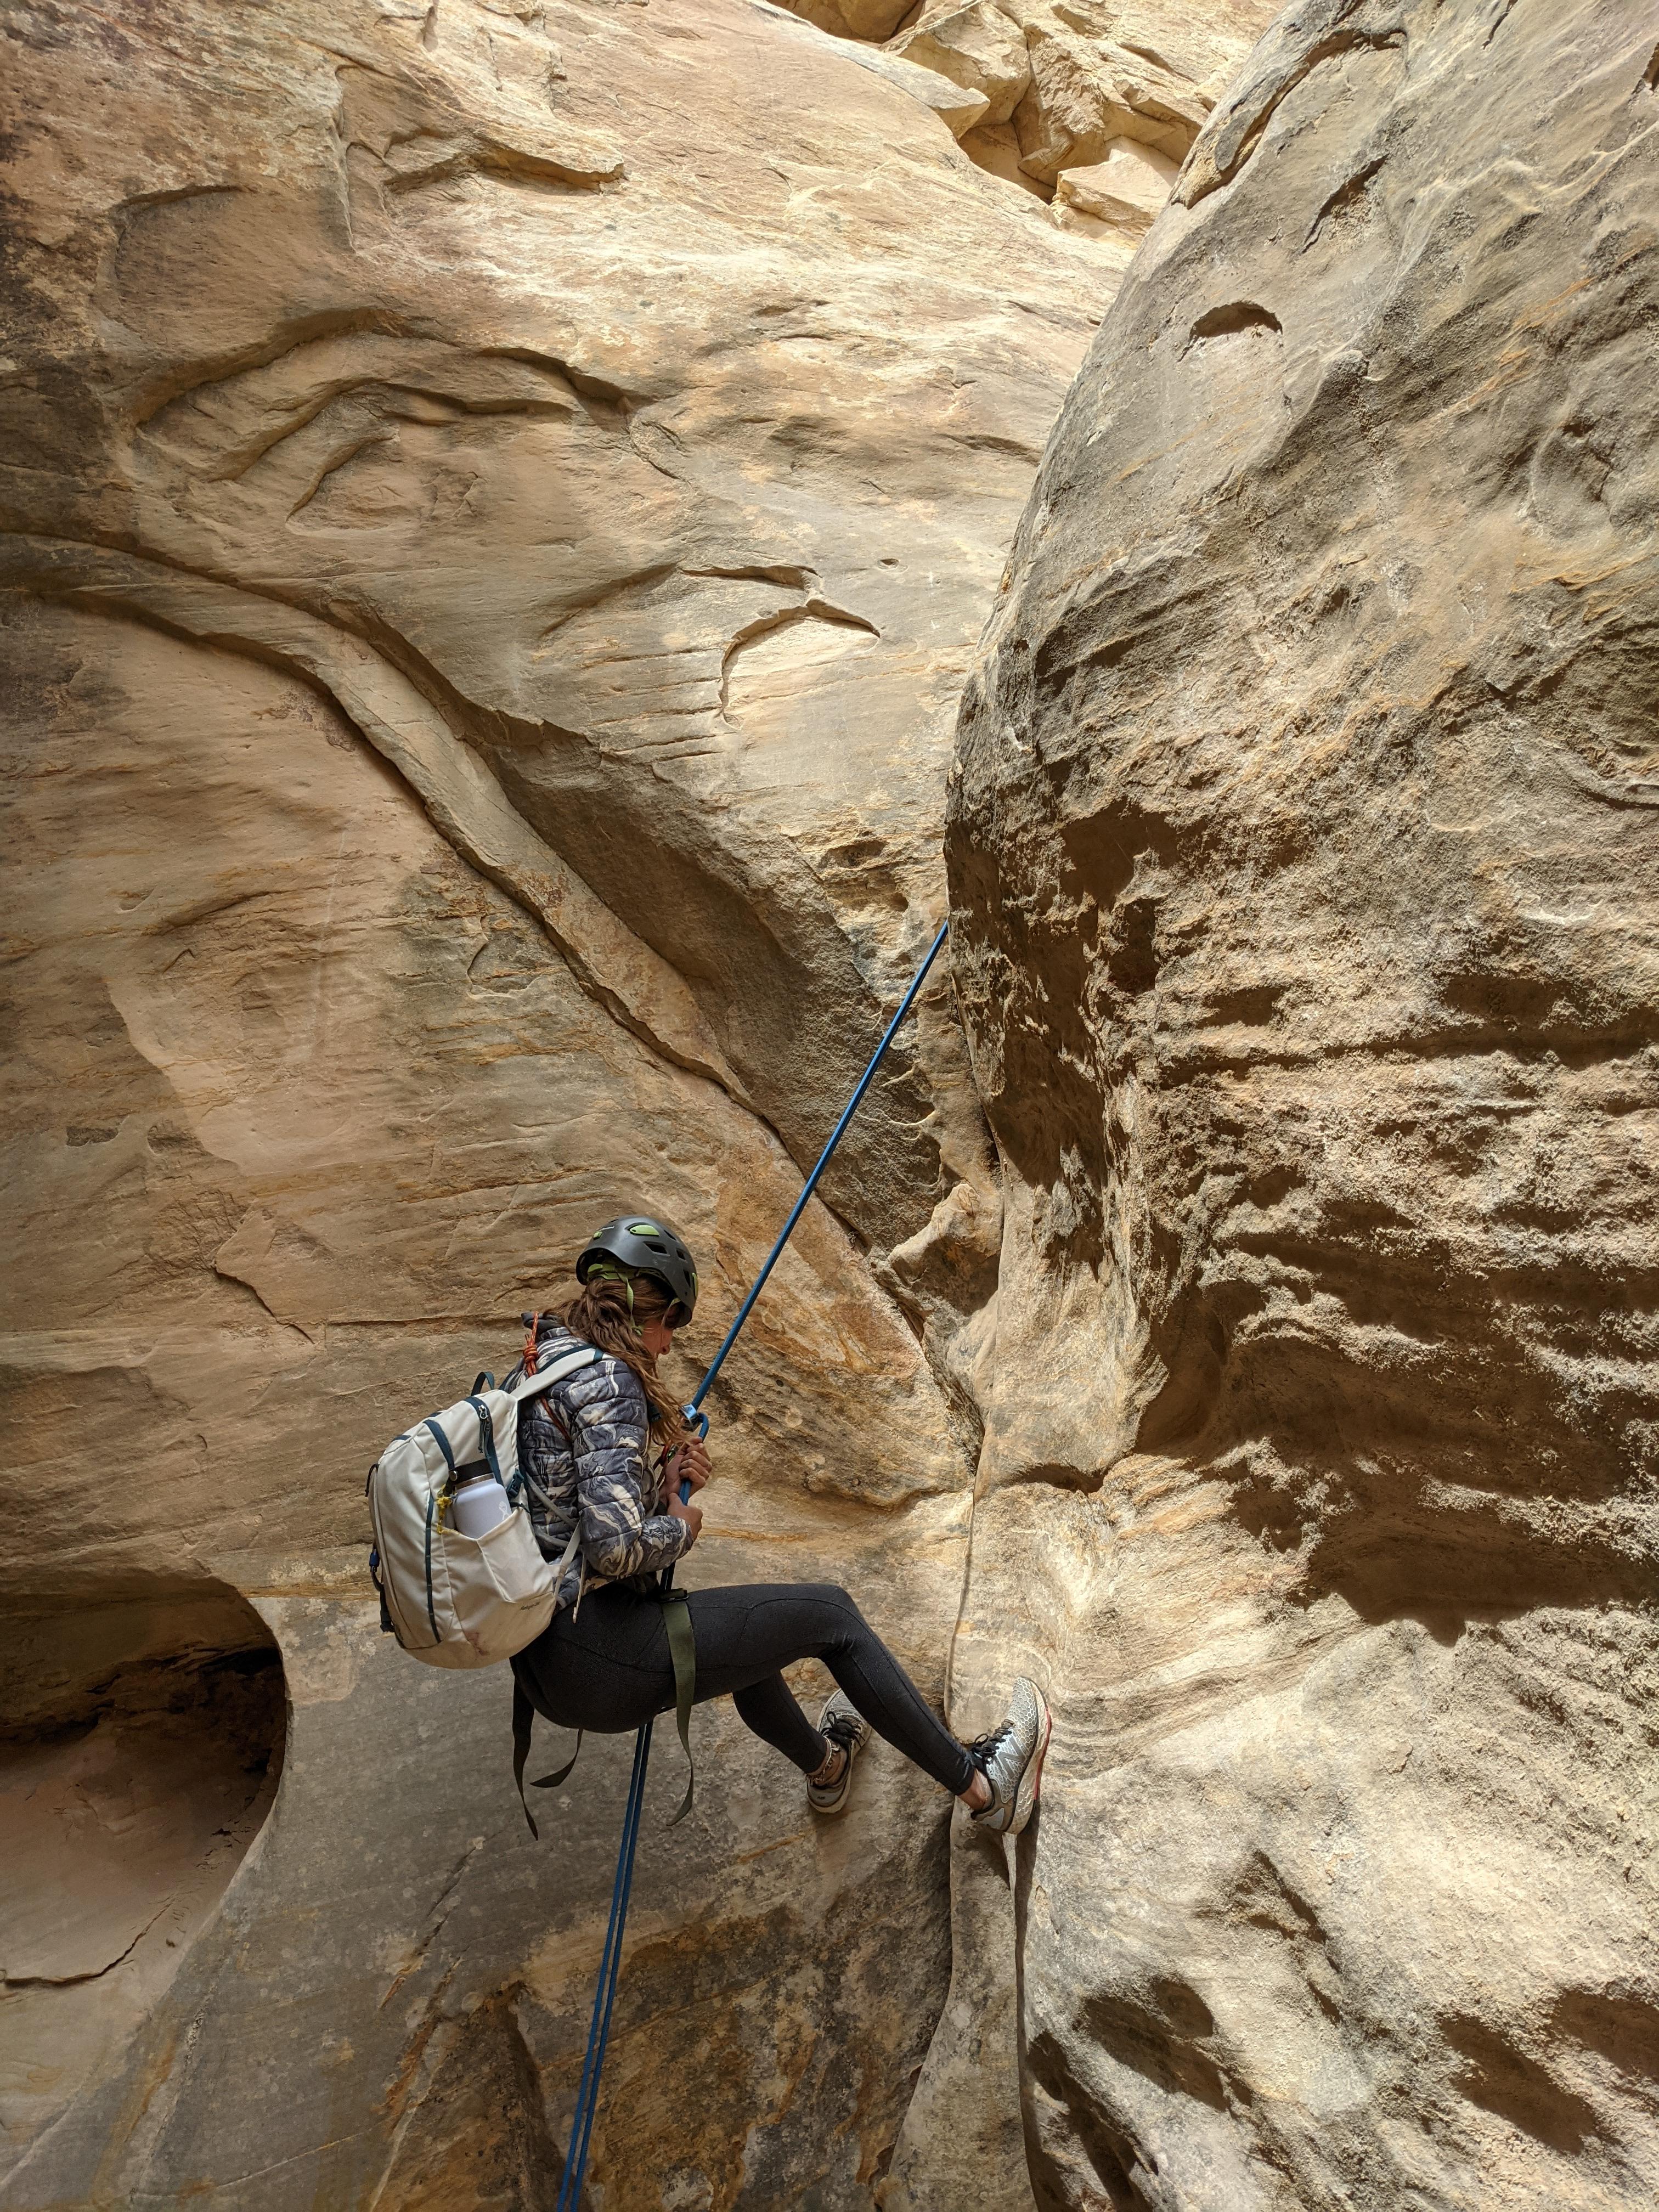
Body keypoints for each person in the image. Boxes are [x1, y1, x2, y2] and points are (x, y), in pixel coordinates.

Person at [507, 1214, 1049, 1833]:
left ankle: (827, 1769)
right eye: (673, 1322)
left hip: (545, 1663)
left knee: (748, 1633)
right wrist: (682, 1523)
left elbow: (566, 1518)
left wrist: (658, 1488)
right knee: (833, 1617)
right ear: (641, 1307)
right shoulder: (609, 1379)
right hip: (598, 1651)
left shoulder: (540, 1365)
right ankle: (986, 1788)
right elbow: (615, 1549)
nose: (668, 1344)